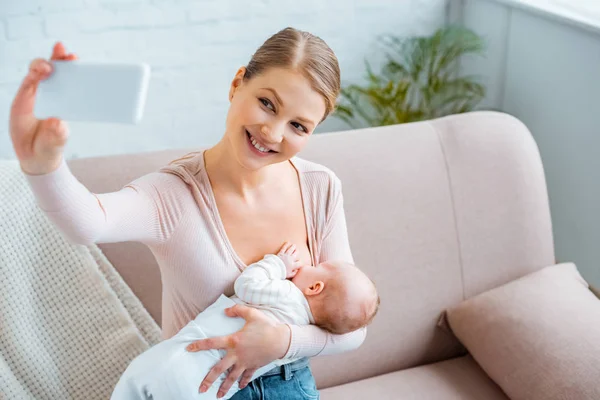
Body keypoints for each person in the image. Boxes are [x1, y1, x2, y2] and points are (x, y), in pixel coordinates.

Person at [10, 27, 367, 399]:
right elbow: (87, 222)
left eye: (298, 126)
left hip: (291, 383)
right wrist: (44, 164)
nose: (273, 132)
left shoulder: (320, 187)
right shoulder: (172, 195)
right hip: (200, 388)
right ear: (237, 84)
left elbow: (353, 327)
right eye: (267, 103)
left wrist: (282, 342)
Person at [111, 242, 380, 399]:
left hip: (181, 361)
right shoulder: (300, 334)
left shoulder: (287, 293)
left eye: (319, 266)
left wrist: (277, 265)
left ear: (314, 287)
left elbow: (247, 284)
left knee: (134, 382)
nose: (311, 264)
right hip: (207, 390)